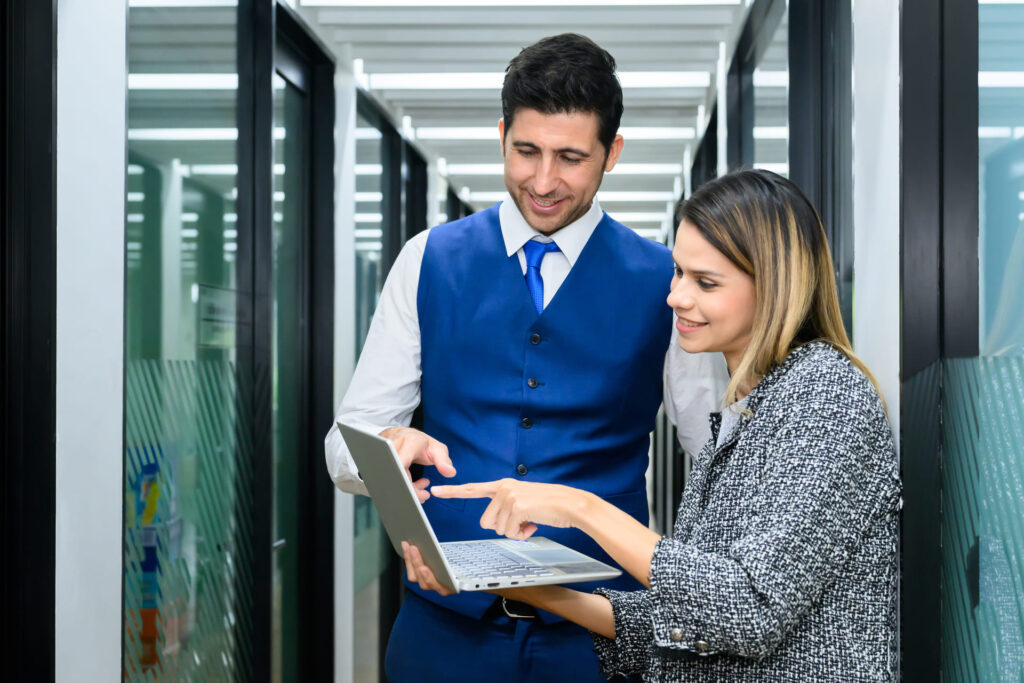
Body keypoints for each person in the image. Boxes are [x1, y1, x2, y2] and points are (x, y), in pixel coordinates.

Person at [324, 33, 727, 682]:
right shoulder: (427, 261)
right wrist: (387, 448)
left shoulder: (667, 281)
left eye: (570, 157)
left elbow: (715, 456)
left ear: (612, 153)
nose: (543, 181)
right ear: (502, 134)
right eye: (526, 151)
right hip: (442, 634)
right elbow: (344, 447)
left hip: (600, 639)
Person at [405, 169, 902, 681]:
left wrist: (579, 507)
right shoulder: (749, 405)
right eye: (678, 273)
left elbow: (748, 611)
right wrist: (505, 582)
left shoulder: (825, 394)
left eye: (705, 283)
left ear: (776, 288)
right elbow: (682, 622)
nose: (676, 298)